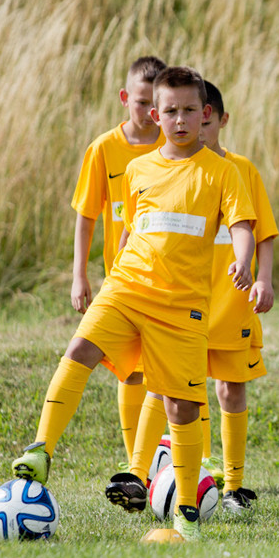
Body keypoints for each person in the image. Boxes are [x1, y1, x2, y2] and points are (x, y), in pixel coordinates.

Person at [12, 66, 257, 541]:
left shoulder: (223, 172)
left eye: (190, 110)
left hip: (182, 306)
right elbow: (128, 229)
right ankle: (41, 449)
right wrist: (105, 273)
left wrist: (243, 261)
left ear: (206, 114)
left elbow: (243, 224)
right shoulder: (139, 168)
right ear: (154, 113)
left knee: (182, 406)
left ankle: (186, 511)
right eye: (170, 111)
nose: (180, 119)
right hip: (126, 288)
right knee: (80, 349)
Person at [108, 80, 277, 515]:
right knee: (163, 386)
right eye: (177, 113)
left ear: (214, 118)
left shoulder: (238, 171)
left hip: (230, 301)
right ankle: (141, 473)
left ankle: (235, 485)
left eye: (201, 115)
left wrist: (264, 279)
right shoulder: (168, 170)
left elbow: (262, 232)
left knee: (230, 390)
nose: (191, 123)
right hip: (182, 301)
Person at [70, 55, 167, 465]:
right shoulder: (104, 149)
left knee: (168, 376)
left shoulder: (173, 145)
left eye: (155, 104)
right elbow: (86, 215)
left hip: (166, 282)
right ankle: (135, 466)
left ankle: (169, 463)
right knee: (131, 372)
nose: (149, 112)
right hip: (122, 280)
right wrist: (80, 275)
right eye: (141, 102)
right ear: (125, 98)